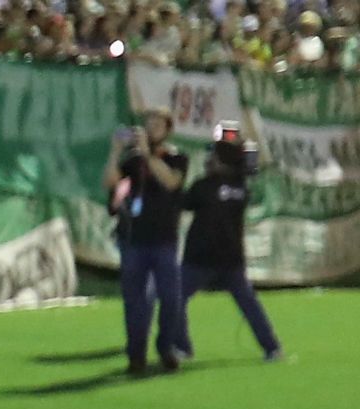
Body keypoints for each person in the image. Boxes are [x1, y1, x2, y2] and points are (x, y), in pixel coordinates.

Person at [176, 137, 284, 362]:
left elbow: (183, 202)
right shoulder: (240, 187)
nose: (208, 160)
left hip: (201, 258)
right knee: (249, 305)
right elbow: (250, 166)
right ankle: (272, 347)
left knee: (176, 298)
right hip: (231, 259)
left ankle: (182, 347)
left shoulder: (204, 186)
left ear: (221, 160)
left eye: (213, 156)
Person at [102, 107, 190, 376]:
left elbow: (171, 182)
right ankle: (136, 354)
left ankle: (166, 347)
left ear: (167, 129)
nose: (151, 128)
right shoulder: (131, 160)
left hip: (164, 240)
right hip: (134, 240)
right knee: (135, 301)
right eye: (147, 123)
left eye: (157, 124)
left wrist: (149, 154)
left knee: (171, 298)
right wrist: (116, 151)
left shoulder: (176, 157)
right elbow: (110, 183)